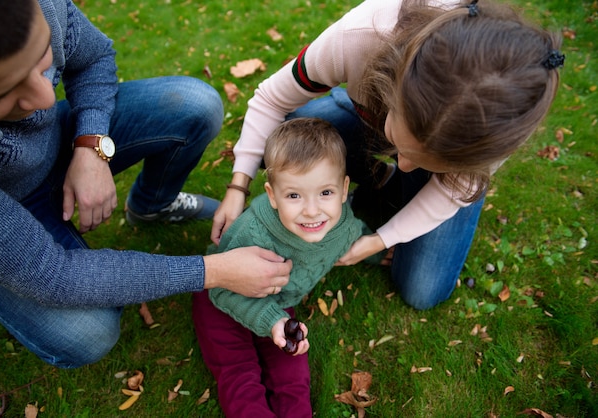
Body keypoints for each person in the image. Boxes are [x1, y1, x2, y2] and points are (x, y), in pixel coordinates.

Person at [0, 0, 291, 369]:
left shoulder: (37, 6)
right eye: (1, 94)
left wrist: (90, 145)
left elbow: (92, 58)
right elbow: (56, 275)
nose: (45, 97)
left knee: (195, 104)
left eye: (42, 60)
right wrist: (214, 270)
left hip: (57, 148)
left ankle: (151, 206)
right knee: (88, 333)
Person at [211, 0, 564, 310]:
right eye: (401, 144)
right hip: (365, 112)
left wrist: (380, 240)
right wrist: (238, 185)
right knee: (289, 135)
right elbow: (271, 99)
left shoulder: (503, 123)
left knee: (421, 291)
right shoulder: (362, 35)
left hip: (439, 157)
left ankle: (398, 189)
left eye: (425, 163)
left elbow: (450, 187)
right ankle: (390, 178)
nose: (403, 165)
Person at [192, 118, 364, 417]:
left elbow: (354, 238)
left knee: (293, 375)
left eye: (325, 193)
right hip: (222, 299)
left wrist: (378, 250)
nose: (312, 210)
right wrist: (270, 319)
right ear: (272, 195)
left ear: (344, 188)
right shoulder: (251, 234)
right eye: (294, 196)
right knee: (239, 374)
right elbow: (220, 285)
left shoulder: (342, 225)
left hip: (278, 305)